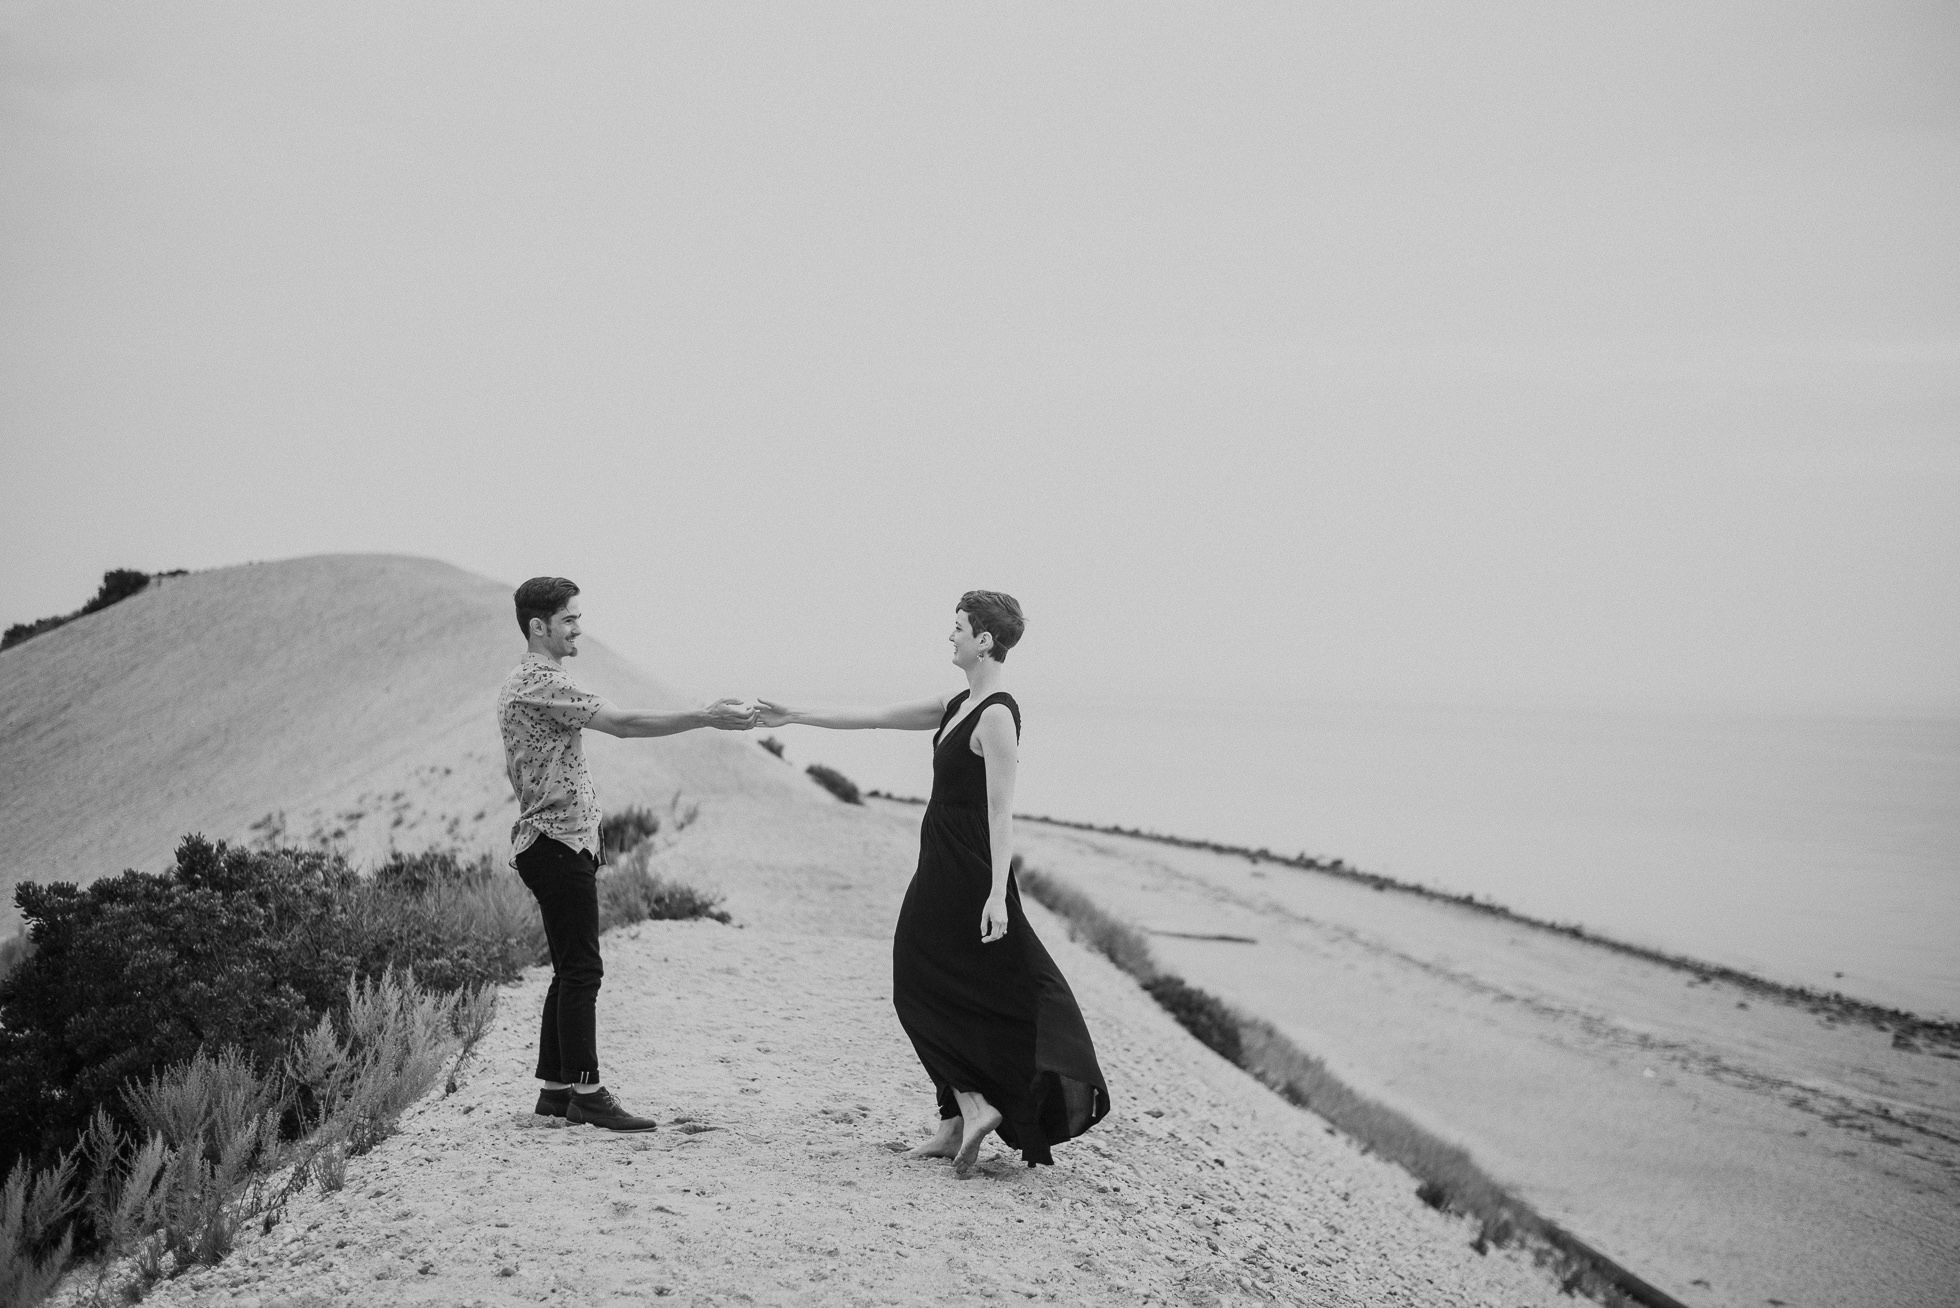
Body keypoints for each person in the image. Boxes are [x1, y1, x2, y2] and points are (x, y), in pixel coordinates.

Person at [757, 591, 1109, 1175]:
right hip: (941, 860)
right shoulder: (957, 701)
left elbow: (1002, 811)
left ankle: (972, 1106)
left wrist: (998, 893)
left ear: (985, 641)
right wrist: (793, 714)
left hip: (969, 870)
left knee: (916, 986)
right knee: (927, 983)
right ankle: (951, 1123)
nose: (950, 637)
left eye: (959, 628)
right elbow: (875, 716)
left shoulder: (996, 714)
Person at [498, 576, 756, 1132]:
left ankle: (555, 1090)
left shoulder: (536, 680)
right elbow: (624, 724)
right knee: (583, 971)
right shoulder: (538, 681)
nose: (579, 629)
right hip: (556, 843)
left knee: (569, 970)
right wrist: (704, 716)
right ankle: (588, 1093)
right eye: (569, 619)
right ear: (538, 626)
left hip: (561, 843)